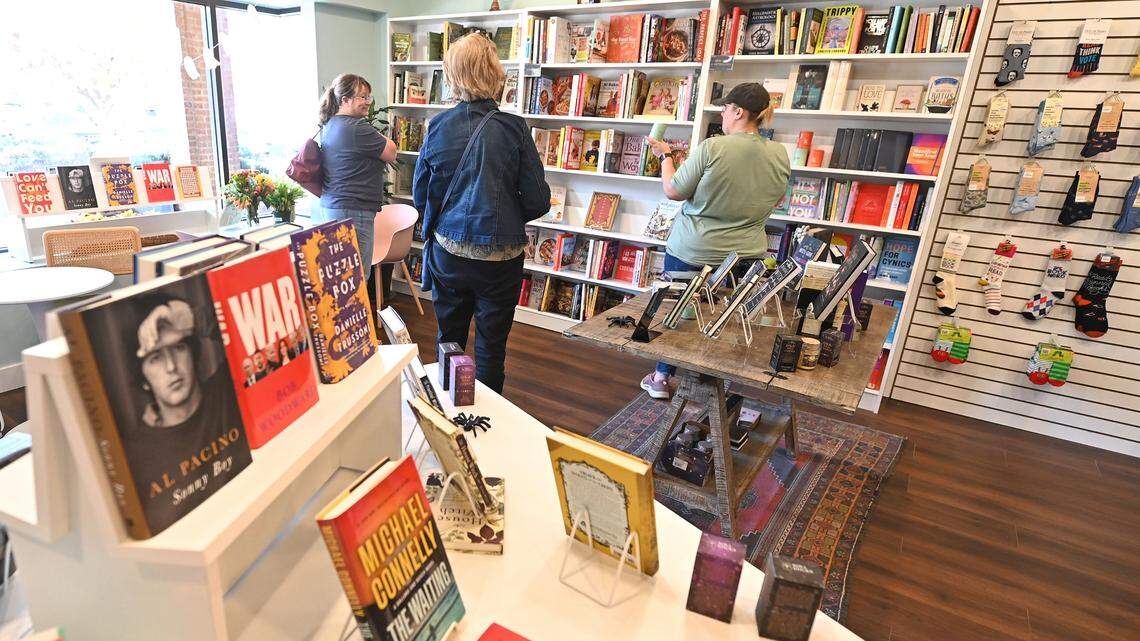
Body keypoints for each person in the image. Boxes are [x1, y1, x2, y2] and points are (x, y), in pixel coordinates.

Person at [413, 33, 550, 394]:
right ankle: (490, 424)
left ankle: (447, 413)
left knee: (449, 339)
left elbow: (420, 194)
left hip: (449, 253)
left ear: (453, 75)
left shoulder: (438, 126)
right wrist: (504, 214)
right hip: (501, 258)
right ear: (494, 73)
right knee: (492, 347)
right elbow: (538, 200)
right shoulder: (515, 128)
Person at [640, 82, 791, 400]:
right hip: (746, 256)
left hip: (694, 250)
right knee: (727, 316)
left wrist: (665, 155)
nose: (722, 114)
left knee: (679, 314)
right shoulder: (779, 153)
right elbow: (776, 201)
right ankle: (715, 381)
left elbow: (674, 191)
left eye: (724, 108)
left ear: (739, 112)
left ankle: (661, 377)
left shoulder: (713, 147)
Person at [316, 73, 398, 308]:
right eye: (362, 96)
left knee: (341, 278)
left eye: (368, 96)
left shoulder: (331, 125)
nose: (368, 101)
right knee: (357, 277)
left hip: (335, 208)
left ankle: (344, 336)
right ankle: (356, 338)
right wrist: (381, 136)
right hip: (354, 211)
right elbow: (391, 152)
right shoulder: (355, 128)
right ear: (345, 100)